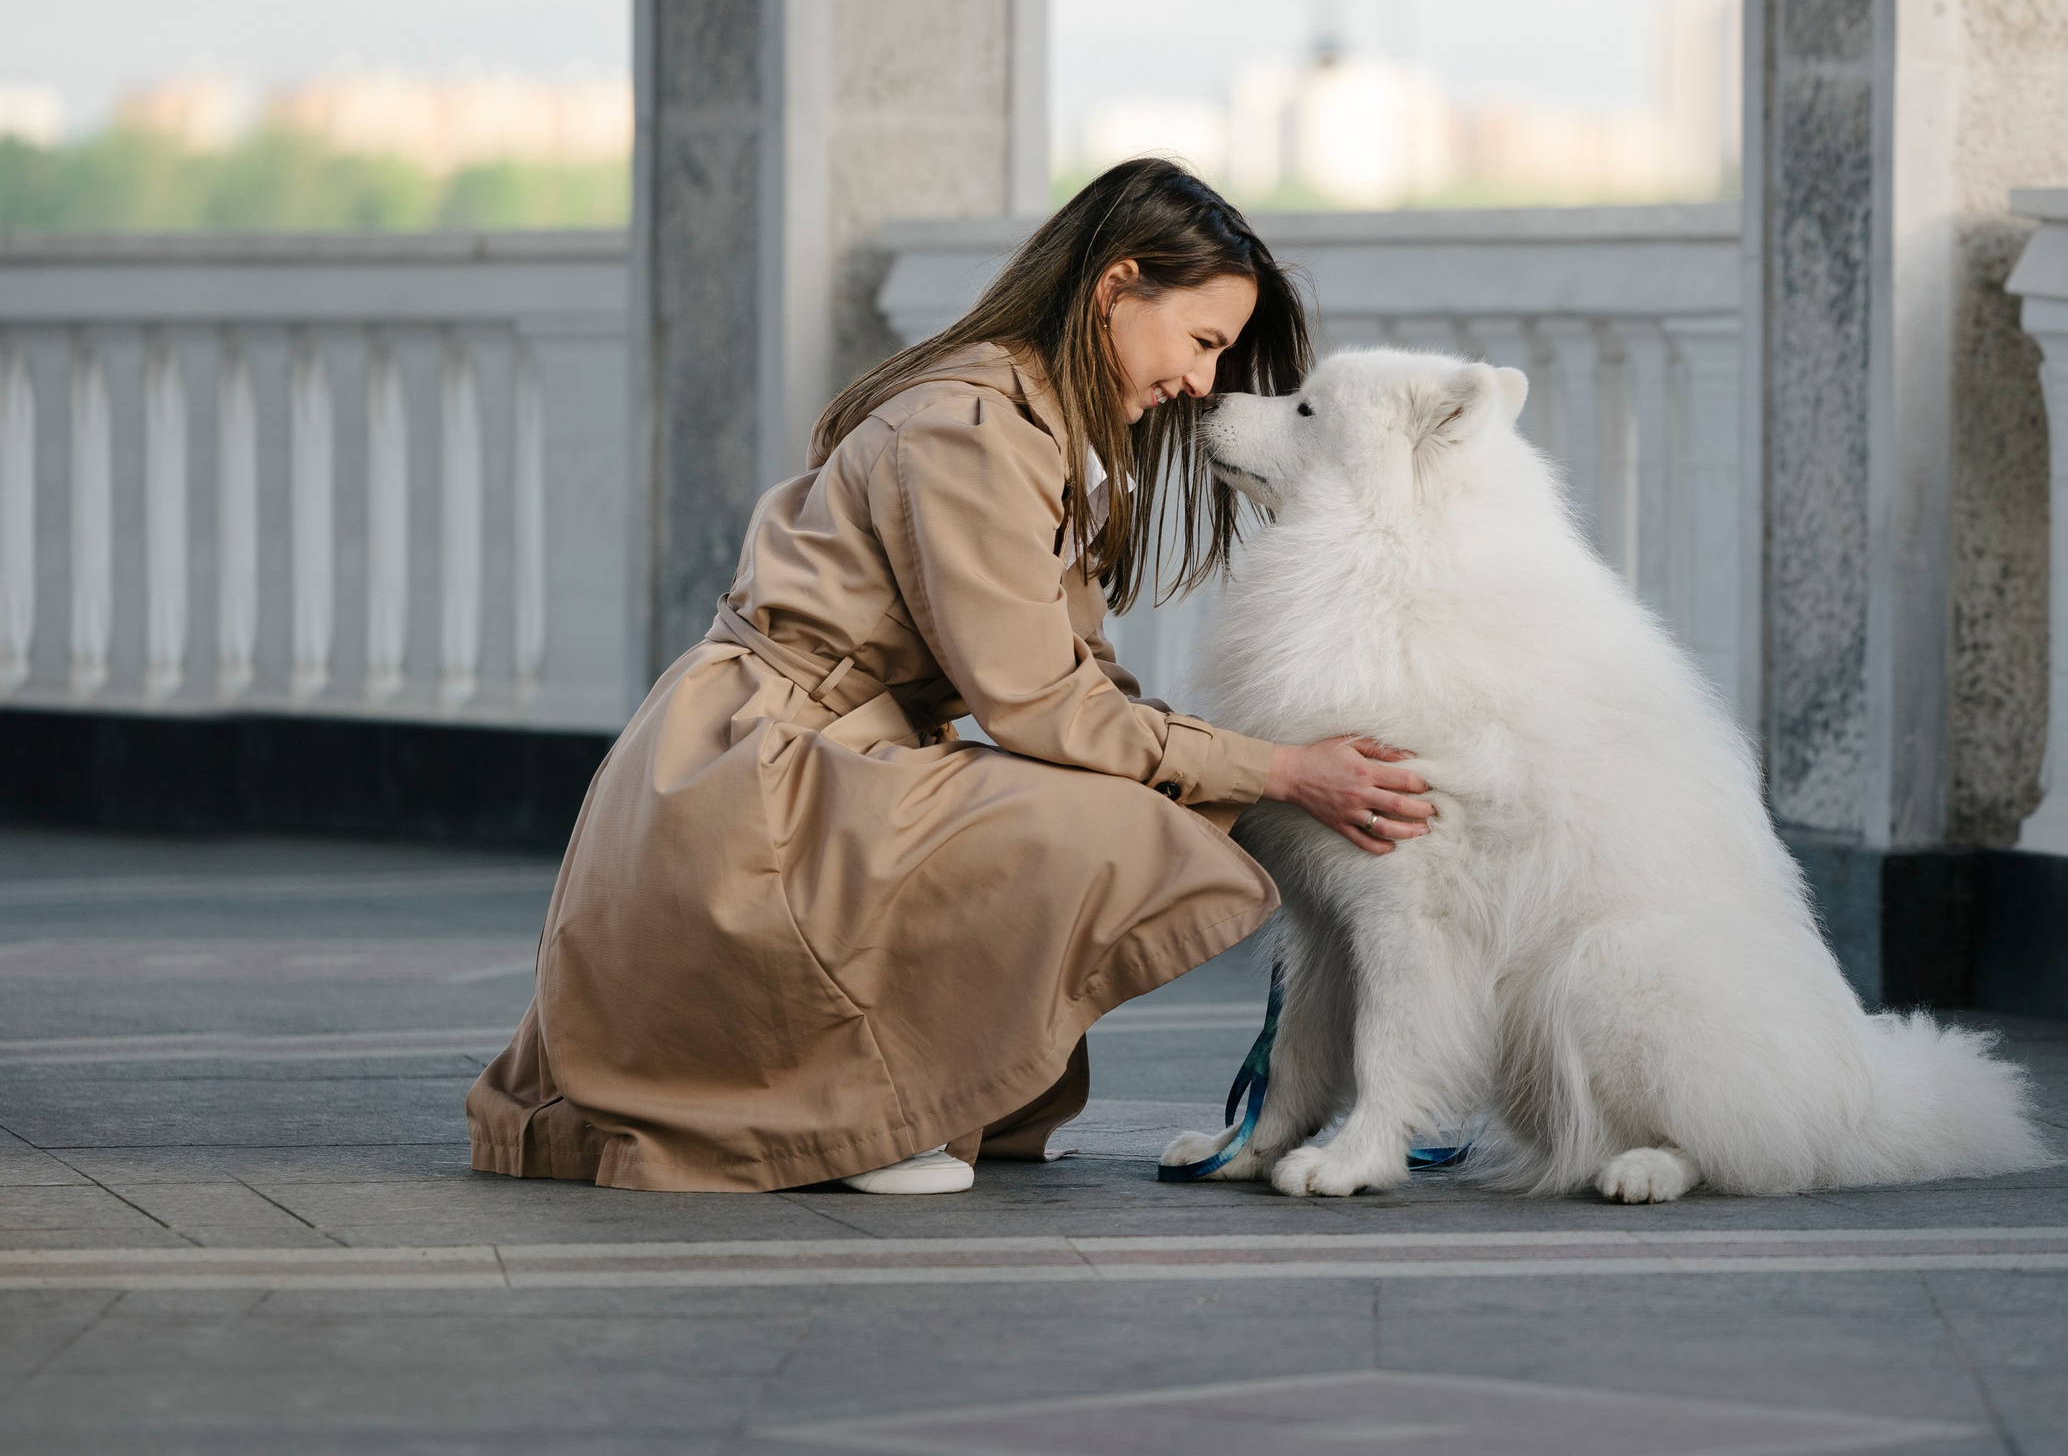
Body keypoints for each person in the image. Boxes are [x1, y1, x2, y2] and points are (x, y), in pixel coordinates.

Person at [466, 159, 1436, 1194]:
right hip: (761, 775)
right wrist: (1278, 770)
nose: (1203, 385)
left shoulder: (1033, 427)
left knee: (1168, 806)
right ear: (1116, 285)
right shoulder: (973, 431)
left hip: (804, 751)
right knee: (1120, 825)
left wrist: (1245, 773)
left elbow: (1081, 675)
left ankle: (905, 1091)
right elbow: (1040, 706)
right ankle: (862, 1112)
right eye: (1202, 343)